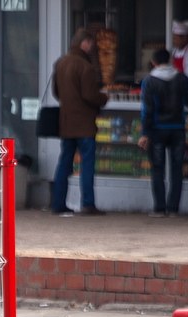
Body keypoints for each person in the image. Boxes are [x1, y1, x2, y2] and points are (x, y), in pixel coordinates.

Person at [51, 29, 109, 216]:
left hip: (66, 122)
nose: (92, 47)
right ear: (84, 43)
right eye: (91, 44)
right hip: (84, 123)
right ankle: (88, 203)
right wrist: (103, 98)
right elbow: (89, 94)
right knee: (87, 165)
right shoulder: (85, 66)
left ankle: (58, 203)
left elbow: (56, 92)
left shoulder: (61, 63)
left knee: (64, 163)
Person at [138, 48, 188, 217]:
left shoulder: (149, 81)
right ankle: (173, 208)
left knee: (157, 169)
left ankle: (159, 208)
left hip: (157, 130)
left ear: (154, 63)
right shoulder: (181, 79)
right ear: (170, 61)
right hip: (178, 129)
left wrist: (145, 133)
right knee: (176, 169)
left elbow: (147, 110)